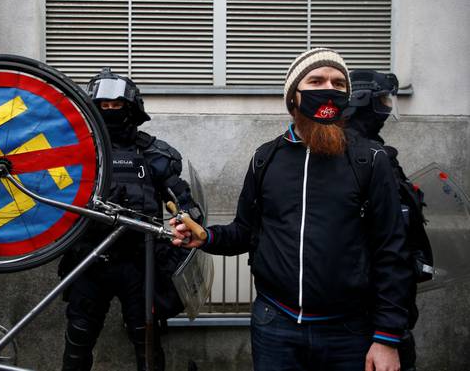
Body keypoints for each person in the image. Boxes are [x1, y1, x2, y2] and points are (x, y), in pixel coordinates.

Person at [171, 48, 413, 371]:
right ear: (293, 97)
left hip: (349, 332)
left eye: (338, 83)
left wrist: (386, 338)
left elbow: (392, 252)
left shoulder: (370, 160)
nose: (328, 88)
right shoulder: (265, 159)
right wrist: (205, 238)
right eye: (316, 80)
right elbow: (245, 231)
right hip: (275, 326)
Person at [58, 68, 202, 371]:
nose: (110, 112)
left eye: (116, 106)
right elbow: (55, 198)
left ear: (131, 108)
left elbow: (182, 203)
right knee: (78, 338)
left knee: (146, 340)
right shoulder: (77, 154)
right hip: (89, 258)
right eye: (103, 107)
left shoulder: (152, 153)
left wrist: (187, 220)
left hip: (140, 263)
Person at [347, 69, 433, 371]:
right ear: (360, 101)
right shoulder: (358, 157)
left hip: (389, 304)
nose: (386, 108)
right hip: (370, 307)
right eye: (381, 100)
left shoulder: (379, 152)